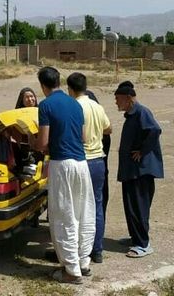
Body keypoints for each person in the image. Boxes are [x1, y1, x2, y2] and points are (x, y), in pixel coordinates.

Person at [32, 66, 95, 284]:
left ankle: (71, 271)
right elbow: (84, 138)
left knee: (63, 216)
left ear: (42, 85)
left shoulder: (46, 105)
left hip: (63, 165)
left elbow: (42, 143)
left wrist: (31, 141)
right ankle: (82, 262)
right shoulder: (76, 105)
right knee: (83, 212)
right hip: (81, 163)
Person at [114, 81, 163, 258]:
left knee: (139, 206)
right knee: (131, 205)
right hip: (131, 170)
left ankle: (143, 244)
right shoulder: (131, 114)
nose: (116, 103)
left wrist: (142, 151)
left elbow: (155, 130)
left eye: (118, 99)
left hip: (141, 171)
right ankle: (136, 237)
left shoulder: (142, 112)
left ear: (128, 98)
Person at [67, 73, 112, 264]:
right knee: (97, 206)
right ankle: (97, 250)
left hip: (81, 160)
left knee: (77, 208)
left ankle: (79, 251)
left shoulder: (74, 107)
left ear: (70, 89)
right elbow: (108, 129)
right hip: (98, 162)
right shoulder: (97, 106)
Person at [85, 90, 112, 219]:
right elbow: (109, 129)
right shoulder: (103, 130)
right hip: (101, 169)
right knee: (99, 202)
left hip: (88, 166)